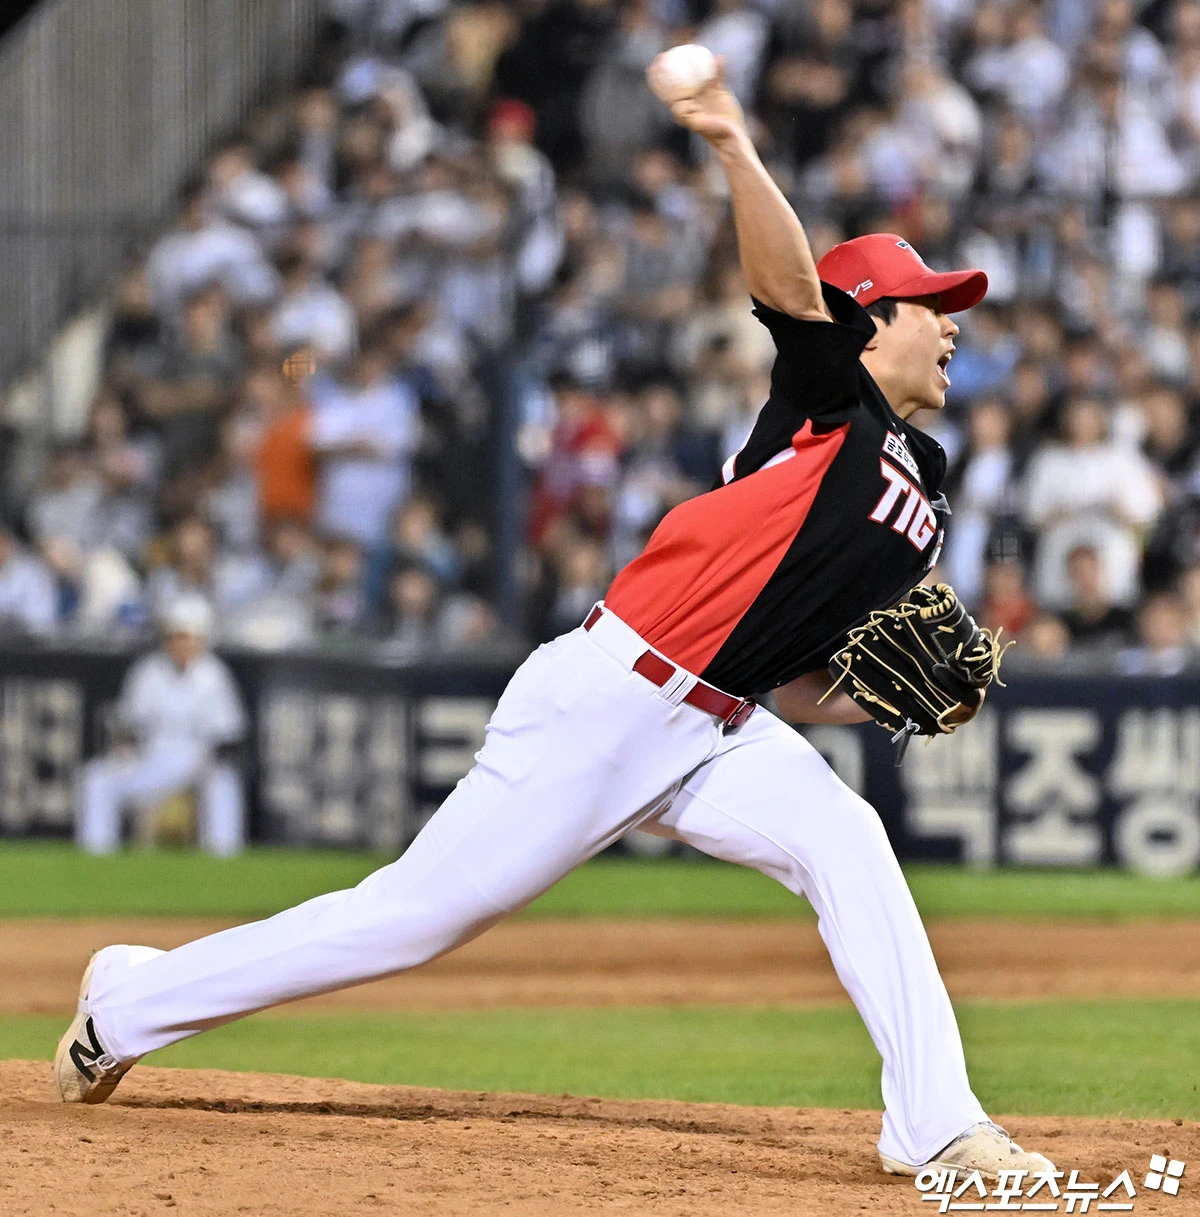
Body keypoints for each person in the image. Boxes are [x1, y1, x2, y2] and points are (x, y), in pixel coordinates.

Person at [56, 59, 1053, 1184]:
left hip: (722, 723)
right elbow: (787, 287)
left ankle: (938, 1125)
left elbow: (805, 657)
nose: (954, 326)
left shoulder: (926, 489)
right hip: (612, 697)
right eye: (933, 307)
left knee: (847, 838)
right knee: (406, 920)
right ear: (870, 322)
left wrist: (886, 697)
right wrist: (732, 142)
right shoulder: (828, 404)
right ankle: (127, 1004)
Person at [74, 595, 247, 857]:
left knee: (223, 780)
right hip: (152, 757)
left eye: (186, 636)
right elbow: (129, 724)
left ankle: (223, 856)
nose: (179, 643)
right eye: (175, 636)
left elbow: (229, 734)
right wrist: (125, 746)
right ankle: (96, 854)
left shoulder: (214, 674)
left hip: (197, 759)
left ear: (201, 639)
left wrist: (211, 758)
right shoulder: (148, 671)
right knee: (97, 777)